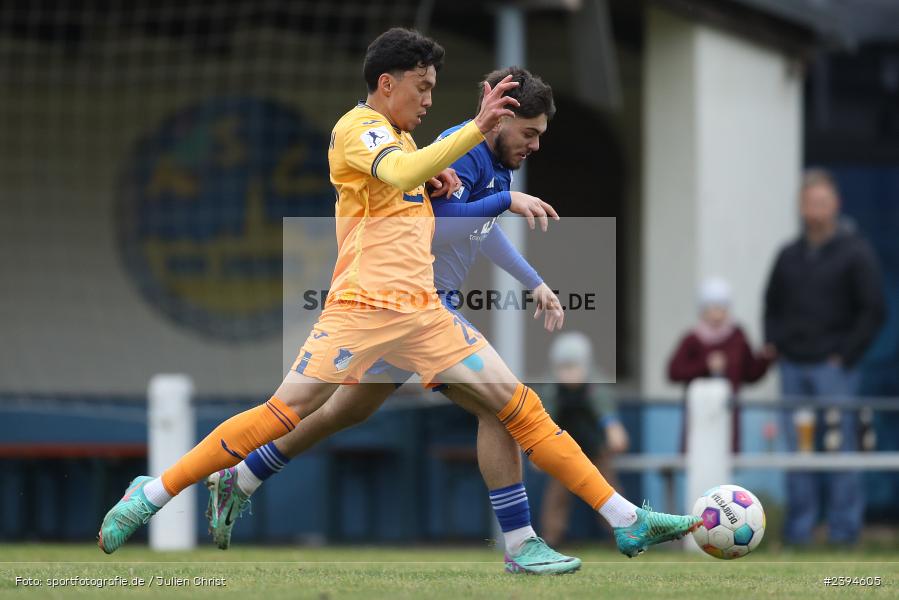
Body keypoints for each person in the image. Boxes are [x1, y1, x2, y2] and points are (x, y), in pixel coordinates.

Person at [98, 27, 701, 564]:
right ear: (387, 84)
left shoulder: (409, 142)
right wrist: (478, 160)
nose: (430, 99)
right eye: (422, 86)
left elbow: (423, 197)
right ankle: (152, 493)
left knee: (518, 407)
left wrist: (510, 252)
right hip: (360, 309)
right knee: (289, 413)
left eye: (434, 88)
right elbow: (409, 182)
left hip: (422, 312)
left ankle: (624, 520)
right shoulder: (356, 130)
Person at [206, 65, 576, 575]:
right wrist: (504, 201)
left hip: (408, 307)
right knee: (501, 409)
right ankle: (525, 542)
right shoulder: (460, 150)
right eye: (529, 133)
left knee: (340, 412)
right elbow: (441, 228)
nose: (534, 145)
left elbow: (482, 226)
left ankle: (241, 477)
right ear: (500, 117)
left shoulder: (493, 162)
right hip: (416, 307)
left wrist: (532, 280)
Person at [764, 168, 885, 545]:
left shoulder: (856, 253)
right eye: (809, 202)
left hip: (835, 371)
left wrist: (845, 356)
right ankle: (798, 534)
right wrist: (775, 343)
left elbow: (874, 310)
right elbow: (771, 305)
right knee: (797, 455)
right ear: (801, 206)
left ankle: (844, 534)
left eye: (822, 201)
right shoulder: (788, 255)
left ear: (836, 204)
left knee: (840, 451)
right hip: (793, 368)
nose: (815, 209)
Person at [538, 332, 629, 547]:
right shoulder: (552, 390)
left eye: (574, 367)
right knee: (556, 495)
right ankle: (552, 537)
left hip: (595, 449)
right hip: (565, 452)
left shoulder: (594, 387)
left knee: (607, 489)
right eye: (563, 368)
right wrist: (540, 451)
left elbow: (604, 410)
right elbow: (543, 419)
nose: (569, 374)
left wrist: (613, 429)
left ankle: (622, 531)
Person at [667, 277, 773, 451]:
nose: (717, 314)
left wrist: (766, 359)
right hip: (699, 418)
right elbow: (673, 372)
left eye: (721, 308)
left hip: (729, 417)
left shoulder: (737, 337)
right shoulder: (692, 339)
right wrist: (705, 366)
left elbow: (750, 373)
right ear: (702, 310)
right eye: (712, 308)